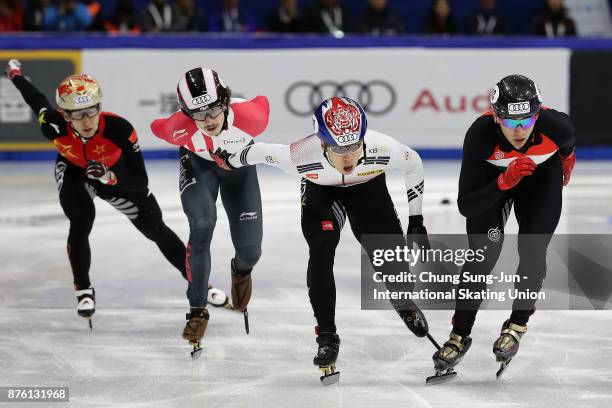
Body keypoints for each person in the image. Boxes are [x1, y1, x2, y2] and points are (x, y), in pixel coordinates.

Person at [220, 96, 431, 384]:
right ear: (321, 143)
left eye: (355, 146)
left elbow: (414, 165)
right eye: (338, 148)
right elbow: (256, 152)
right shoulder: (299, 155)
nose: (348, 157)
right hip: (322, 194)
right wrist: (230, 158)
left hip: (368, 190)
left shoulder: (383, 147)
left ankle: (403, 300)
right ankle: (327, 335)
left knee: (392, 258)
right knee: (321, 253)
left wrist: (416, 221)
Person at [4, 59, 230, 328]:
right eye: (77, 114)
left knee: (156, 229)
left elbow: (141, 183)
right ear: (65, 115)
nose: (86, 120)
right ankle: (83, 289)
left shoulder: (119, 130)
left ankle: (200, 283)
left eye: (91, 111)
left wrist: (111, 178)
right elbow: (35, 99)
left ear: (100, 107)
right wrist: (15, 75)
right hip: (75, 172)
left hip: (118, 177)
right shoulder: (53, 125)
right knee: (81, 219)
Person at [429, 74, 576, 381]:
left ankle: (517, 325)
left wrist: (567, 159)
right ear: (496, 118)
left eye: (527, 121)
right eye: (510, 123)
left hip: (540, 180)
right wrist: (503, 182)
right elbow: (466, 205)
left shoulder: (557, 126)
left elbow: (568, 142)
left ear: (538, 115)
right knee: (484, 252)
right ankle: (459, 335)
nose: (519, 131)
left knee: (533, 247)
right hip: (493, 185)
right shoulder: (480, 135)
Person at [150, 67, 269, 356]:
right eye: (198, 113)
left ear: (226, 101)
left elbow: (263, 101)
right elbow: (157, 125)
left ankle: (241, 271)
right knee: (202, 224)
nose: (208, 120)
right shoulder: (178, 127)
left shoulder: (251, 118)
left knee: (251, 251)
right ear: (186, 112)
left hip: (239, 172)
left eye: (214, 109)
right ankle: (197, 309)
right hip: (199, 166)